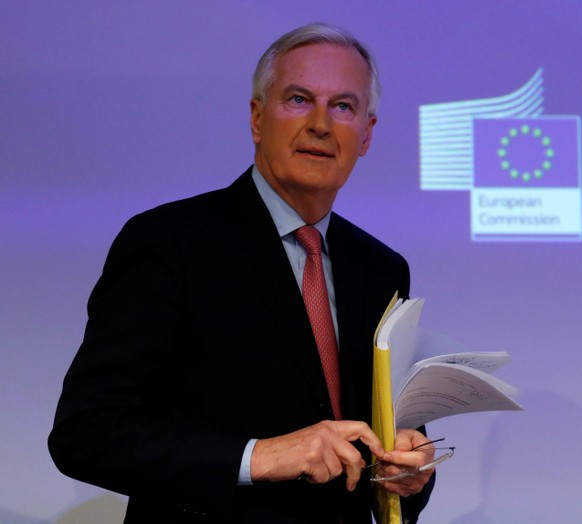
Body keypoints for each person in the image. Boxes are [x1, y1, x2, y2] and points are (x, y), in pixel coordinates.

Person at [49, 23, 435, 523]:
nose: (321, 123)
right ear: (257, 118)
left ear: (366, 134)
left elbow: (389, 442)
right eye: (299, 99)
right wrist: (257, 457)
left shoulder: (382, 268)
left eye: (343, 106)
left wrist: (408, 471)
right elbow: (87, 433)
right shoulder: (169, 242)